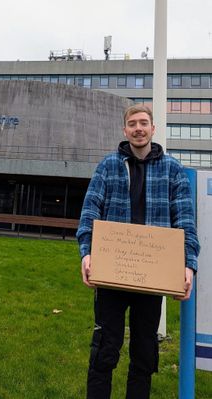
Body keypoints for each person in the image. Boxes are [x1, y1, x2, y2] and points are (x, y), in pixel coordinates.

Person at [76, 104, 200, 399]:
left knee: (145, 354)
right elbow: (90, 211)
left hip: (151, 277)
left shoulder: (172, 169)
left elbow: (184, 219)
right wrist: (86, 252)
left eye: (144, 123)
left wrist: (188, 263)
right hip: (111, 273)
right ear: (125, 130)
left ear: (153, 128)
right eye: (132, 123)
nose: (138, 128)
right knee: (105, 349)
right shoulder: (108, 166)